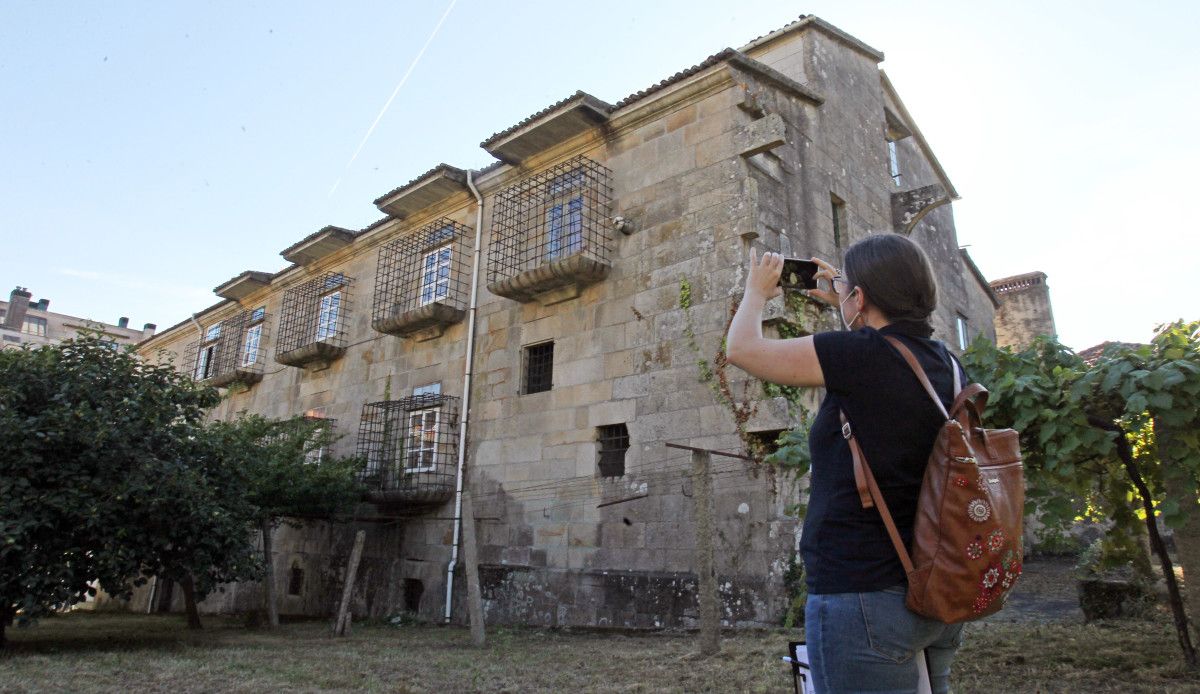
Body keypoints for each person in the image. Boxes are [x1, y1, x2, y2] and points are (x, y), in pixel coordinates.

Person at [725, 234, 965, 694]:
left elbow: (742, 350)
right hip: (937, 586)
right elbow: (884, 360)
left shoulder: (859, 357)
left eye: (851, 290)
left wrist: (756, 291)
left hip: (863, 597)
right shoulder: (949, 366)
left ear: (861, 298)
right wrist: (848, 297)